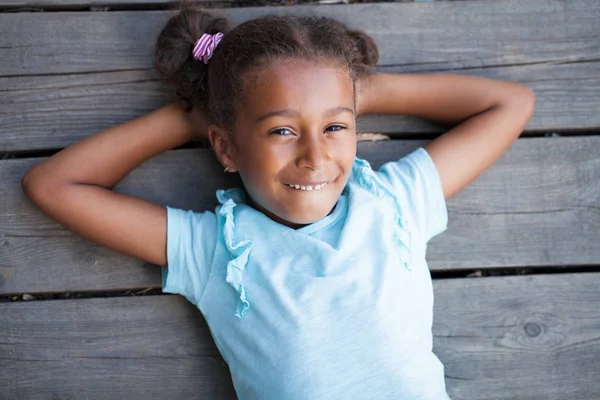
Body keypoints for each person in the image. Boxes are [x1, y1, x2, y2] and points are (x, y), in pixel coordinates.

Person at [21, 7, 535, 400]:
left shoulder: (394, 203)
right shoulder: (215, 251)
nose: (315, 157)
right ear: (225, 146)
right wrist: (195, 117)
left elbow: (511, 103)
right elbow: (54, 185)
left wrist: (354, 91)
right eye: (282, 130)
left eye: (336, 127)